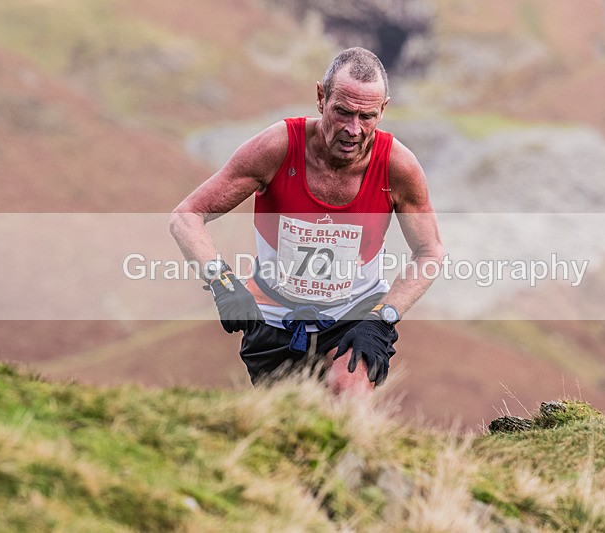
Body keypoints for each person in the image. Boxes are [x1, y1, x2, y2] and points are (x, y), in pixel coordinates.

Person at [170, 47, 444, 394]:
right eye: (342, 112)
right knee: (286, 427)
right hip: (273, 317)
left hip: (356, 315)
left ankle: (355, 447)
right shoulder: (278, 147)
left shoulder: (397, 166)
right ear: (321, 97)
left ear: (383, 110)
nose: (353, 129)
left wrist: (382, 318)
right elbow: (186, 216)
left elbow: (430, 252)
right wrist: (222, 284)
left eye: (368, 116)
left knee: (348, 393)